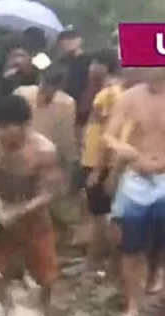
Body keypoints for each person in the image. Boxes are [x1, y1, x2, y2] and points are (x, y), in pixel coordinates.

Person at [0, 95, 63, 316]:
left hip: (33, 218)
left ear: (25, 126)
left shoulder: (43, 151)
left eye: (7, 127)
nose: (2, 132)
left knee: (46, 279)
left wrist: (19, 211)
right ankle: (7, 307)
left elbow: (49, 193)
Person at [104, 67, 165, 316]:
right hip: (136, 177)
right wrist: (123, 150)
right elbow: (109, 134)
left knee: (160, 241)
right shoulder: (131, 96)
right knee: (130, 246)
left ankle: (155, 277)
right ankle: (132, 306)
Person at [79, 52, 121, 269]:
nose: (90, 67)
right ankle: (98, 260)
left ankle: (96, 262)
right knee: (99, 213)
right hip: (96, 159)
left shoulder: (111, 94)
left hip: (101, 161)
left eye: (94, 63)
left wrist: (98, 167)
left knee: (101, 215)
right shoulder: (106, 91)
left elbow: (109, 133)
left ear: (104, 66)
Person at [14, 66, 78, 178]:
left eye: (53, 88)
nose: (48, 91)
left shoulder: (66, 104)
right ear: (40, 80)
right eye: (46, 86)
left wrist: (69, 162)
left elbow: (65, 137)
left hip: (45, 157)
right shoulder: (22, 94)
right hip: (16, 150)